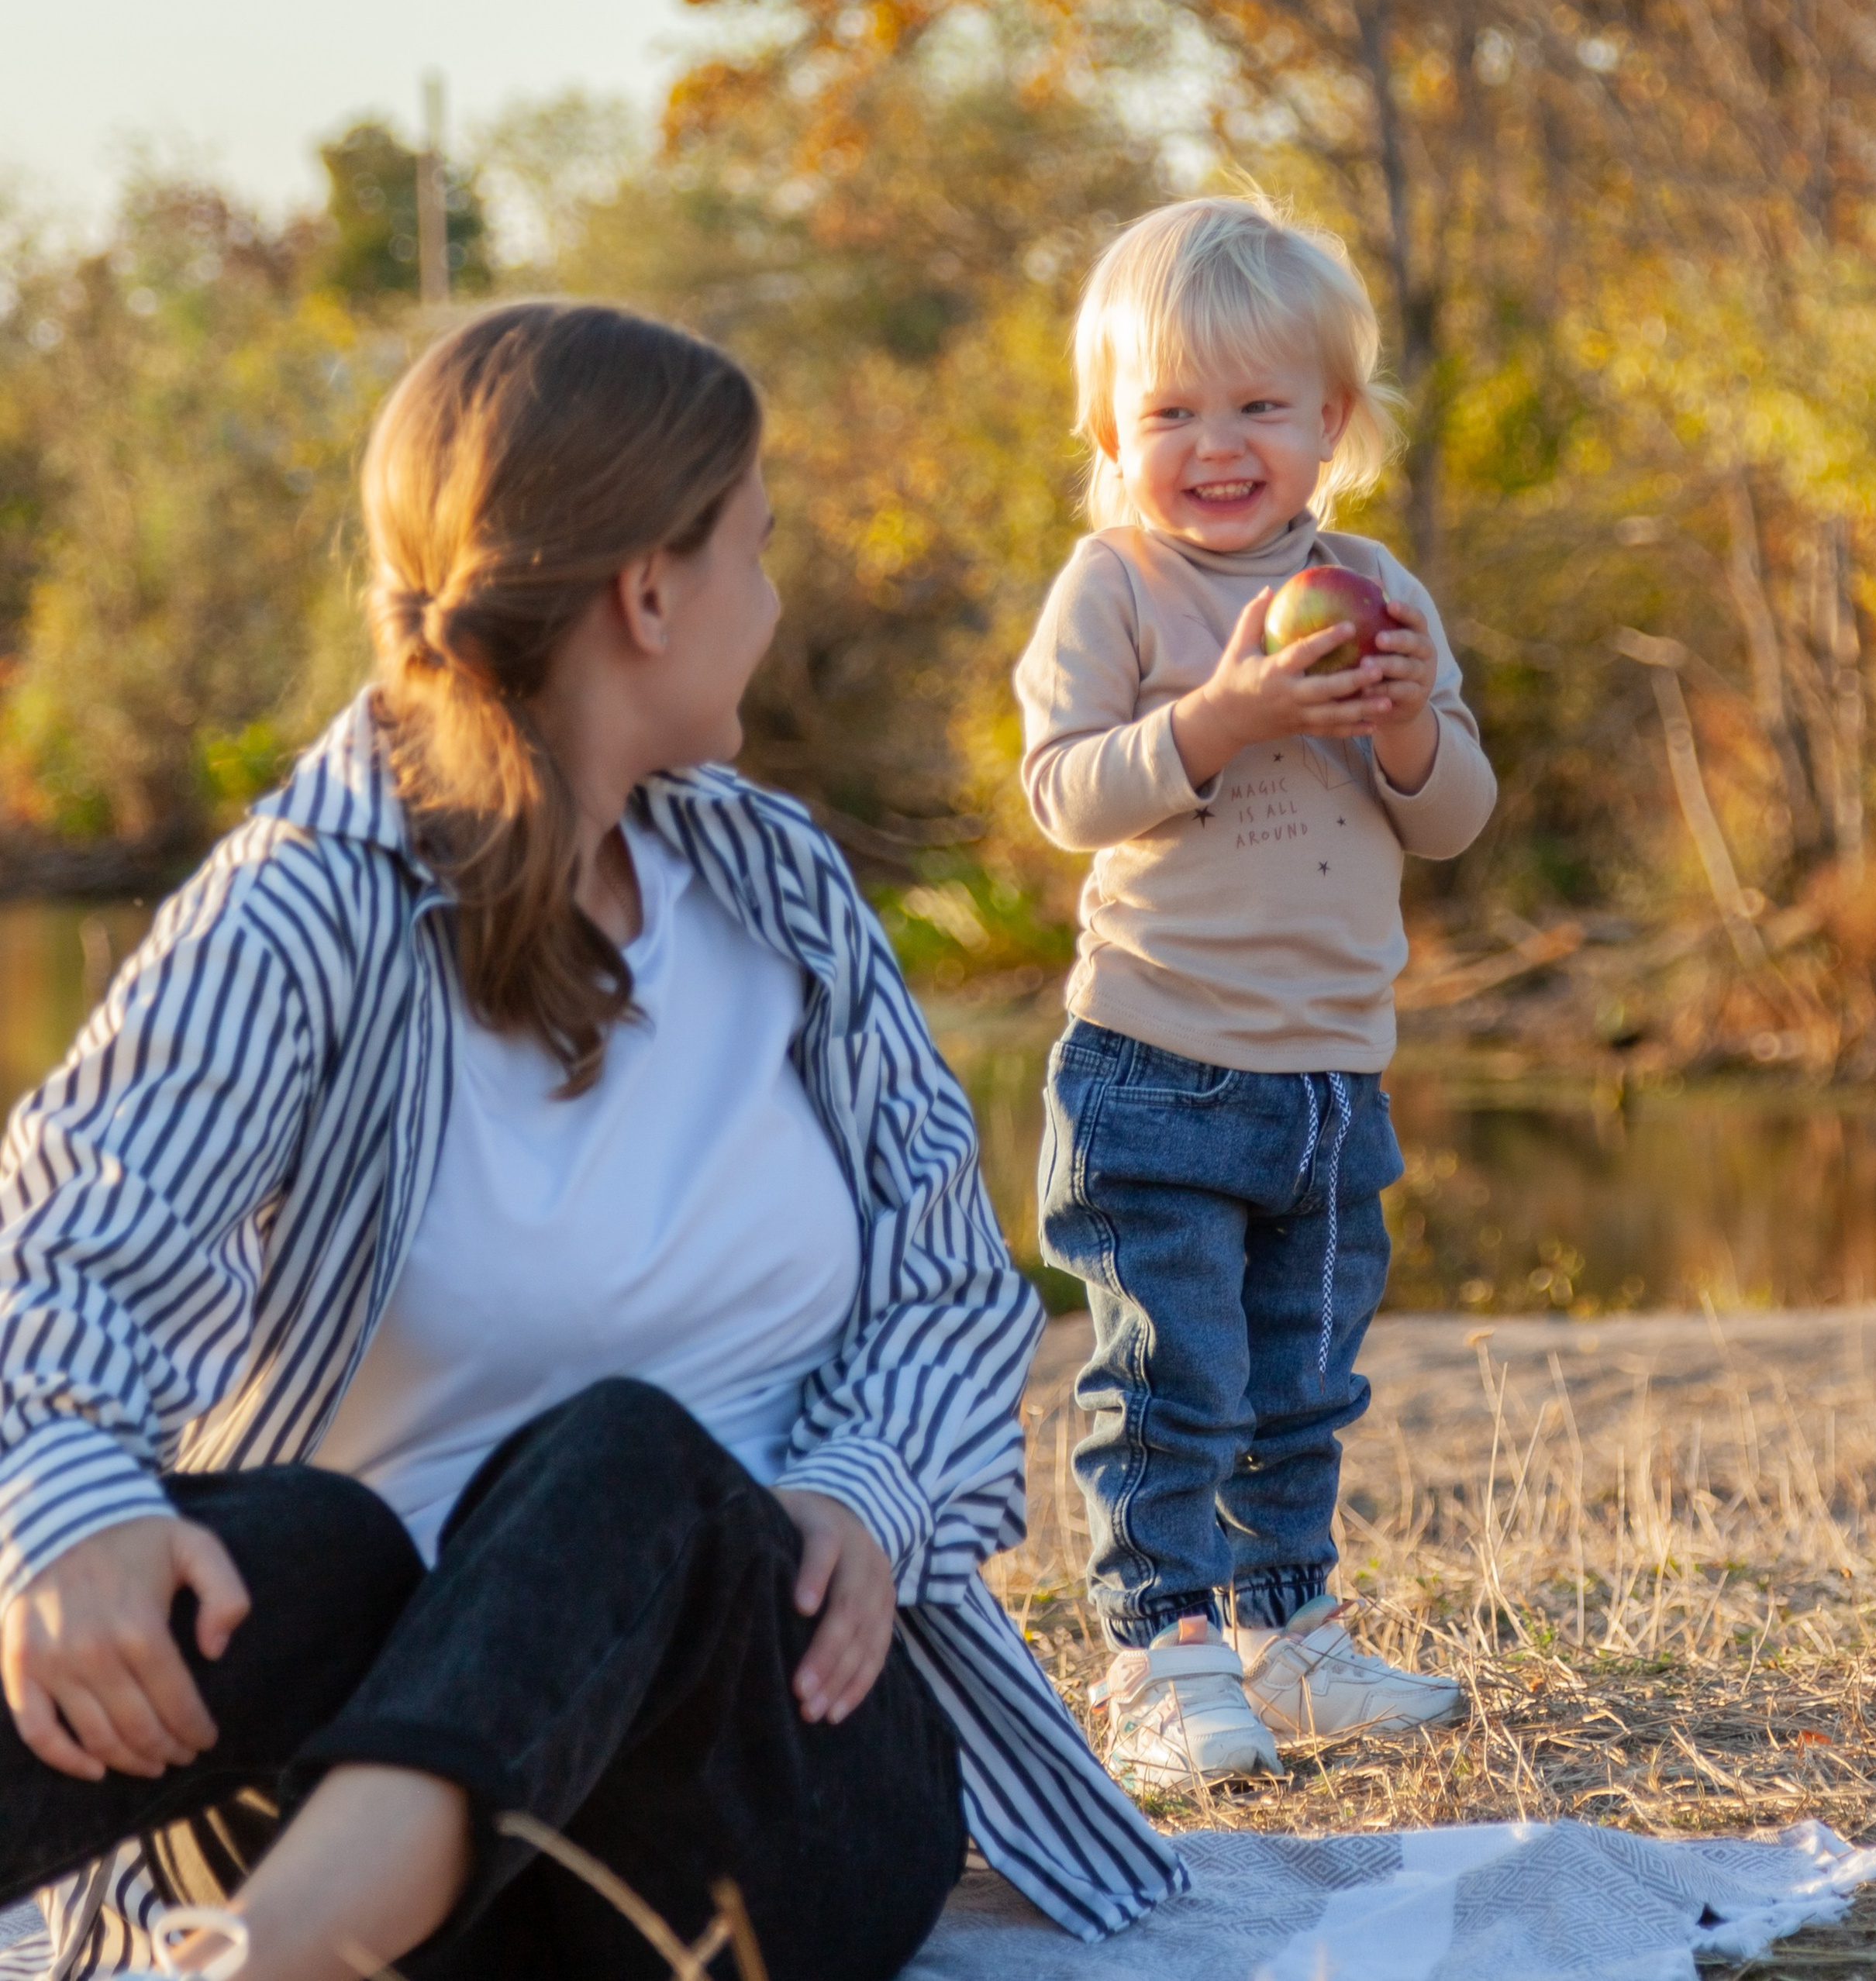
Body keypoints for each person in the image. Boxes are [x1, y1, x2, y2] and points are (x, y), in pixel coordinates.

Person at [0, 303, 1182, 1981]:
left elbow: (950, 1296)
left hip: (762, 1783)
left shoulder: (783, 895)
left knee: (619, 1454)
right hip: (360, 1783)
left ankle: (263, 1969)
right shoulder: (304, 910)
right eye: (754, 556)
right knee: (304, 1548)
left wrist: (861, 1485)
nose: (768, 612)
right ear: (648, 592)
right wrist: (63, 1510)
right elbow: (62, 1243)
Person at [1015, 198, 1497, 1790]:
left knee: (1298, 1381)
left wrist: (1407, 724)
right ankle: (1162, 1658)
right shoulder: (1118, 588)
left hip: (1327, 1076)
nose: (1213, 446)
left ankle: (1290, 1632)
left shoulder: (1375, 591)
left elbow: (1449, 817)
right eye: (1168, 413)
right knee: (1163, 1380)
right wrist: (1215, 716)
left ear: (1328, 424)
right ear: (1108, 429)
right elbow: (1063, 793)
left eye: (1255, 408)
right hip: (1154, 1061)